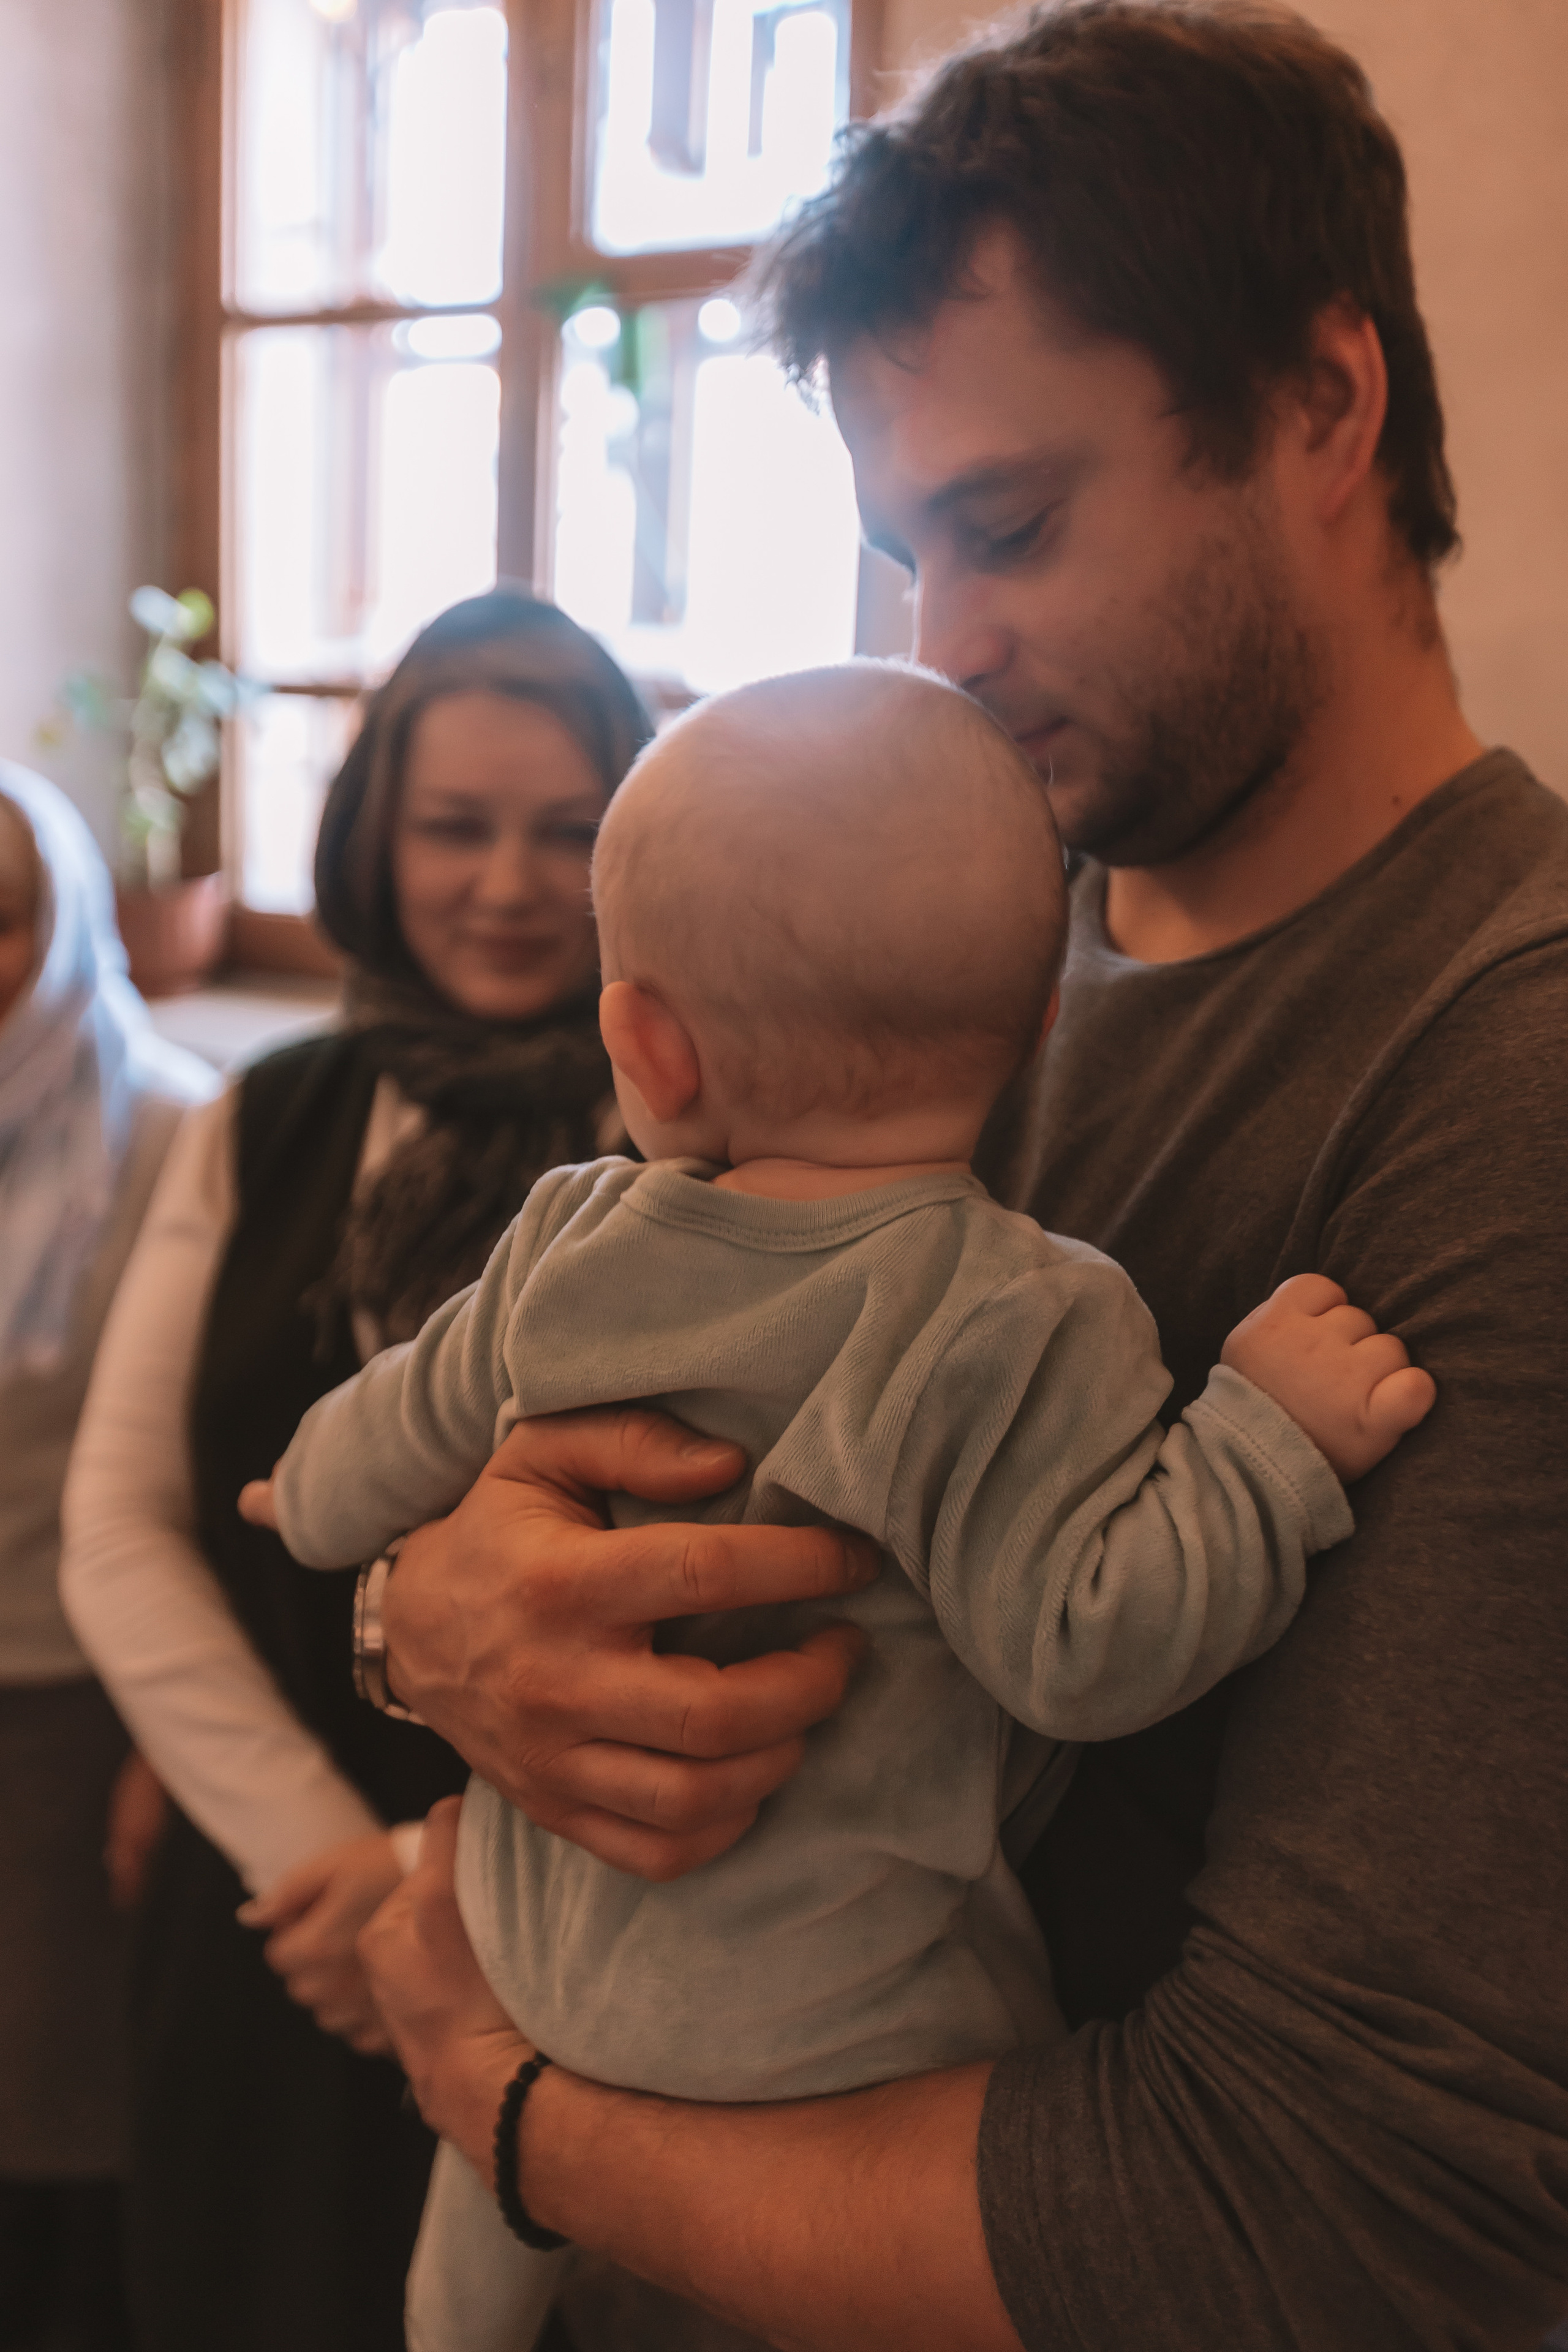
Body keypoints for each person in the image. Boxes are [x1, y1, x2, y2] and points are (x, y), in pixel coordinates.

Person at [344, 8, 1568, 2351]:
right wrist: (437, 1629)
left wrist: (505, 2104)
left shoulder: (1504, 1071)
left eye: (1005, 528)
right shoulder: (926, 950)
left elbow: (1331, 2218)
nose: (944, 642)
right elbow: (520, 1462)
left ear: (1325, 411)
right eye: (902, 548)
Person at [255, 660, 1433, 2352]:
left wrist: (301, 1493)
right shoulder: (1017, 1315)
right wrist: (1266, 1438)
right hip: (834, 2036)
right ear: (1042, 1026)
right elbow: (1087, 1648)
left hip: (525, 1963)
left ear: (642, 1041)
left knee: (473, 2252)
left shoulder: (572, 1232)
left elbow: (401, 1429)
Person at [59, 589, 654, 2352]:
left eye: (570, 833)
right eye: (454, 827)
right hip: (275, 1910)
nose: (507, 883)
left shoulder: (696, 1143)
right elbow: (122, 1531)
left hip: (584, 1926)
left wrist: (438, 1876)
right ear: (373, 831)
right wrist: (335, 1855)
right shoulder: (272, 1112)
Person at [0, 765, 214, 2348]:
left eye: (2, 924)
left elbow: (197, 1477)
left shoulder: (171, 1134)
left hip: (75, 1698)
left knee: (63, 2112)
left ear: (66, 921)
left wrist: (159, 1745)